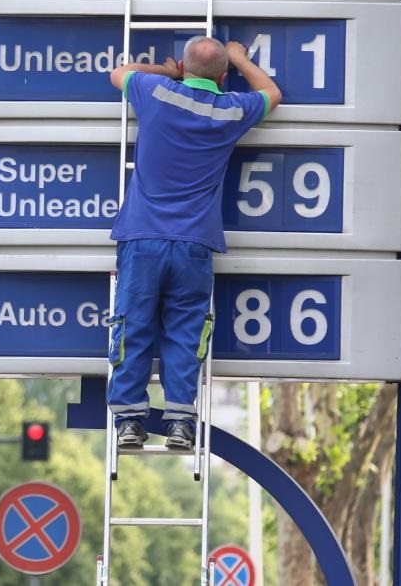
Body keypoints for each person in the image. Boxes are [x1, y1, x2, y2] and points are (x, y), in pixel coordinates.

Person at [106, 36, 281, 450]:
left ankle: (130, 421)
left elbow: (119, 74)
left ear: (185, 69)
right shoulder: (232, 109)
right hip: (195, 244)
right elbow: (272, 93)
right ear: (223, 77)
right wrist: (241, 59)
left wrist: (167, 72)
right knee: (186, 332)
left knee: (132, 326)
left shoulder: (155, 92)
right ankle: (181, 423)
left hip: (143, 236)